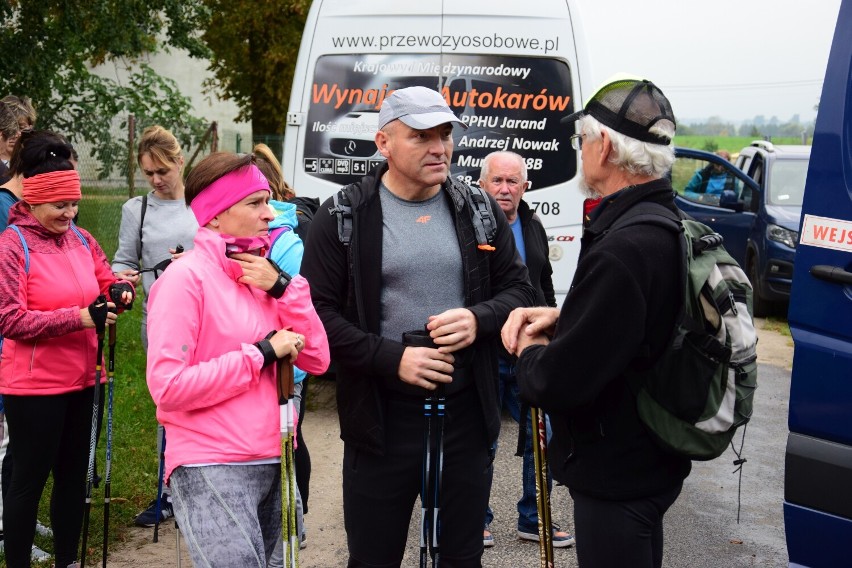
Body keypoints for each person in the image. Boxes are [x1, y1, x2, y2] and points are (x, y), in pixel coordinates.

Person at [300, 86, 536, 567]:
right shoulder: (343, 215)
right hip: (380, 418)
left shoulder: (477, 207)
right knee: (373, 558)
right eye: (421, 136)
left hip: (466, 414)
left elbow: (520, 290)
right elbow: (315, 315)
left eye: (446, 134)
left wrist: (478, 319)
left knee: (463, 557)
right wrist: (393, 359)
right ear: (383, 143)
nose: (440, 148)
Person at [501, 74, 691, 568]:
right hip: (654, 459)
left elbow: (560, 382)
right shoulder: (664, 224)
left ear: (603, 145)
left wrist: (529, 350)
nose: (579, 149)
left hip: (617, 473)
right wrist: (568, 318)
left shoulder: (625, 247)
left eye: (580, 138)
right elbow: (638, 325)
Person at [145, 152, 329, 566]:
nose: (271, 213)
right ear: (213, 216)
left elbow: (317, 359)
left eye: (267, 200)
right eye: (256, 203)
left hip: (276, 456)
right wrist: (261, 354)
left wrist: (284, 288)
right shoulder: (184, 280)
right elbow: (168, 388)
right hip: (211, 463)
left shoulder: (266, 275)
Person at [0, 130, 134, 568]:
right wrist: (78, 317)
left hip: (85, 380)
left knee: (75, 478)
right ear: (34, 201)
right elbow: (9, 319)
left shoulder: (80, 238)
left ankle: (66, 561)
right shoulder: (12, 245)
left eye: (74, 204)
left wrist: (118, 292)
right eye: (61, 205)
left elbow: (103, 278)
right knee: (29, 481)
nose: (70, 213)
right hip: (35, 387)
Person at [477, 151, 573, 549]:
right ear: (482, 185)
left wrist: (552, 331)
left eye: (512, 181)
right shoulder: (472, 226)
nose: (504, 189)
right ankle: (474, 519)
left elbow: (544, 284)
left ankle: (533, 518)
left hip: (528, 352)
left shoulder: (533, 225)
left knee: (544, 434)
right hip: (486, 349)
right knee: (483, 437)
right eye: (497, 181)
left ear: (524, 187)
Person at [110, 125, 198, 527]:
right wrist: (123, 278)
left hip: (205, 319)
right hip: (160, 323)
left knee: (204, 403)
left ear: (180, 162)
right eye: (149, 173)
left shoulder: (203, 203)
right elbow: (122, 260)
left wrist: (193, 263)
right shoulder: (136, 209)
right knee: (168, 407)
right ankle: (166, 492)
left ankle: (200, 487)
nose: (157, 180)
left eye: (163, 170)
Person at [253, 142, 310, 557]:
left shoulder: (286, 240)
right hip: (254, 359)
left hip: (286, 364)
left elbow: (294, 300)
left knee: (290, 442)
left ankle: (296, 521)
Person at [0, 96, 36, 186]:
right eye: (8, 127)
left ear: (30, 129)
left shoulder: (34, 165)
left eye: (20, 128)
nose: (14, 133)